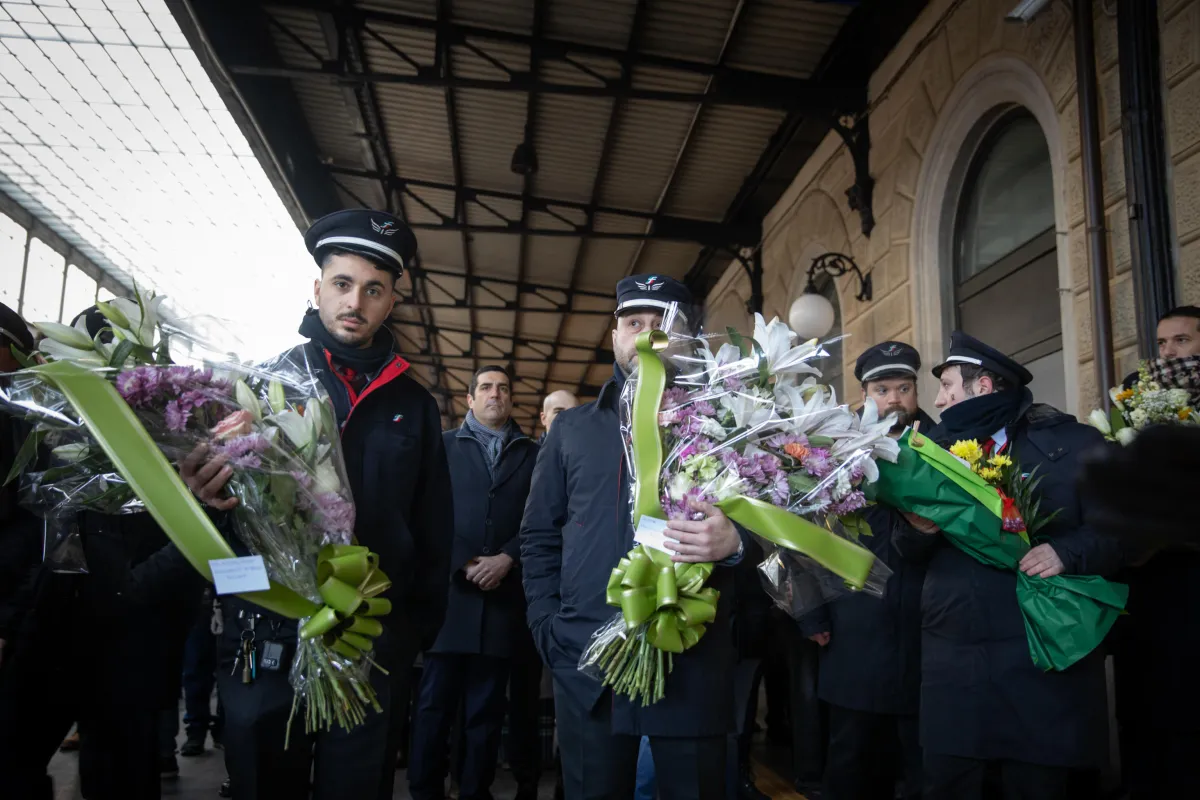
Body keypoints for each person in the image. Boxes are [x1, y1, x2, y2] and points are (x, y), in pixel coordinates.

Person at [182, 209, 453, 800]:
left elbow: (434, 525)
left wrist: (409, 631)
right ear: (317, 288)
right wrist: (205, 497)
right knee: (261, 775)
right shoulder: (260, 387)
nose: (356, 301)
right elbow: (223, 510)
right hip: (265, 629)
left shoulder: (415, 404)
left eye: (374, 290)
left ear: (390, 302)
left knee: (356, 783)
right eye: (342, 284)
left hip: (370, 635)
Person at [520, 274, 750, 800]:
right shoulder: (573, 429)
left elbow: (773, 532)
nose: (647, 336)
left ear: (688, 340)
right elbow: (538, 534)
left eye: (663, 326)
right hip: (585, 659)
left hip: (692, 653)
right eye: (634, 324)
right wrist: (546, 626)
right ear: (615, 334)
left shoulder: (729, 424)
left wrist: (736, 545)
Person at [892, 331, 1122, 800]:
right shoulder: (929, 454)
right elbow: (904, 553)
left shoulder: (1071, 443)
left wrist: (1065, 552)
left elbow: (1121, 527)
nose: (938, 400)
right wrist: (916, 529)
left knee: (1037, 783)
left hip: (1038, 653)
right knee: (948, 781)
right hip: (953, 654)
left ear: (984, 387)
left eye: (949, 387)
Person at [0, 304, 205, 800]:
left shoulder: (170, 442)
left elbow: (179, 561)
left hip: (123, 652)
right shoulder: (40, 427)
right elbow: (23, 534)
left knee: (119, 774)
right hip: (43, 635)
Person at [798, 342, 932, 800]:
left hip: (926, 628)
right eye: (882, 389)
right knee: (852, 758)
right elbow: (805, 534)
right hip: (854, 625)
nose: (894, 398)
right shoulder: (833, 448)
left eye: (903, 388)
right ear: (863, 392)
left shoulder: (945, 444)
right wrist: (811, 613)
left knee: (924, 761)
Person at [409, 365, 539, 800]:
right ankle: (425, 788)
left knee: (485, 710)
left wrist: (508, 557)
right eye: (486, 387)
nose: (495, 394)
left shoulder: (532, 454)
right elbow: (424, 511)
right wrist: (464, 559)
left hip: (503, 601)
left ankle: (475, 790)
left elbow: (543, 518)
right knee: (433, 706)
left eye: (503, 388)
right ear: (470, 398)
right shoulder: (442, 447)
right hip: (450, 599)